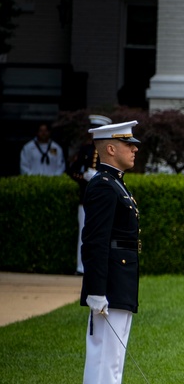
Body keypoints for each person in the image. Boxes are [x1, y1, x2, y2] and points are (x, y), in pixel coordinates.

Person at [80, 120, 142, 384]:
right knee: (105, 359)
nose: (135, 149)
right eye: (129, 144)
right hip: (110, 285)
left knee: (113, 360)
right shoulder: (104, 185)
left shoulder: (116, 183)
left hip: (120, 282)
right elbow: (95, 242)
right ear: (110, 148)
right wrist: (95, 290)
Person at [68, 115, 113, 275]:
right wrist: (83, 177)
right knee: (83, 232)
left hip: (102, 199)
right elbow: (72, 170)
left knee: (102, 233)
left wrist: (99, 176)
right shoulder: (85, 150)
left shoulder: (109, 151)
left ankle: (98, 267)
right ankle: (81, 268)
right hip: (86, 197)